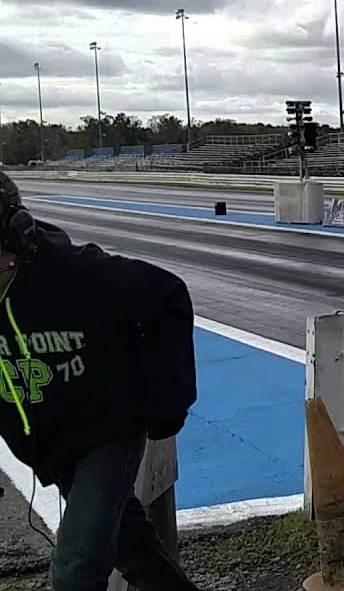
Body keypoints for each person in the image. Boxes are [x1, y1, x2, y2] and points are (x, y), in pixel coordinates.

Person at [0, 172, 201, 590]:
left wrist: (164, 404)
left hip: (107, 431)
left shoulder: (80, 274)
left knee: (75, 570)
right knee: (135, 552)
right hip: (49, 445)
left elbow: (168, 294)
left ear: (13, 239)